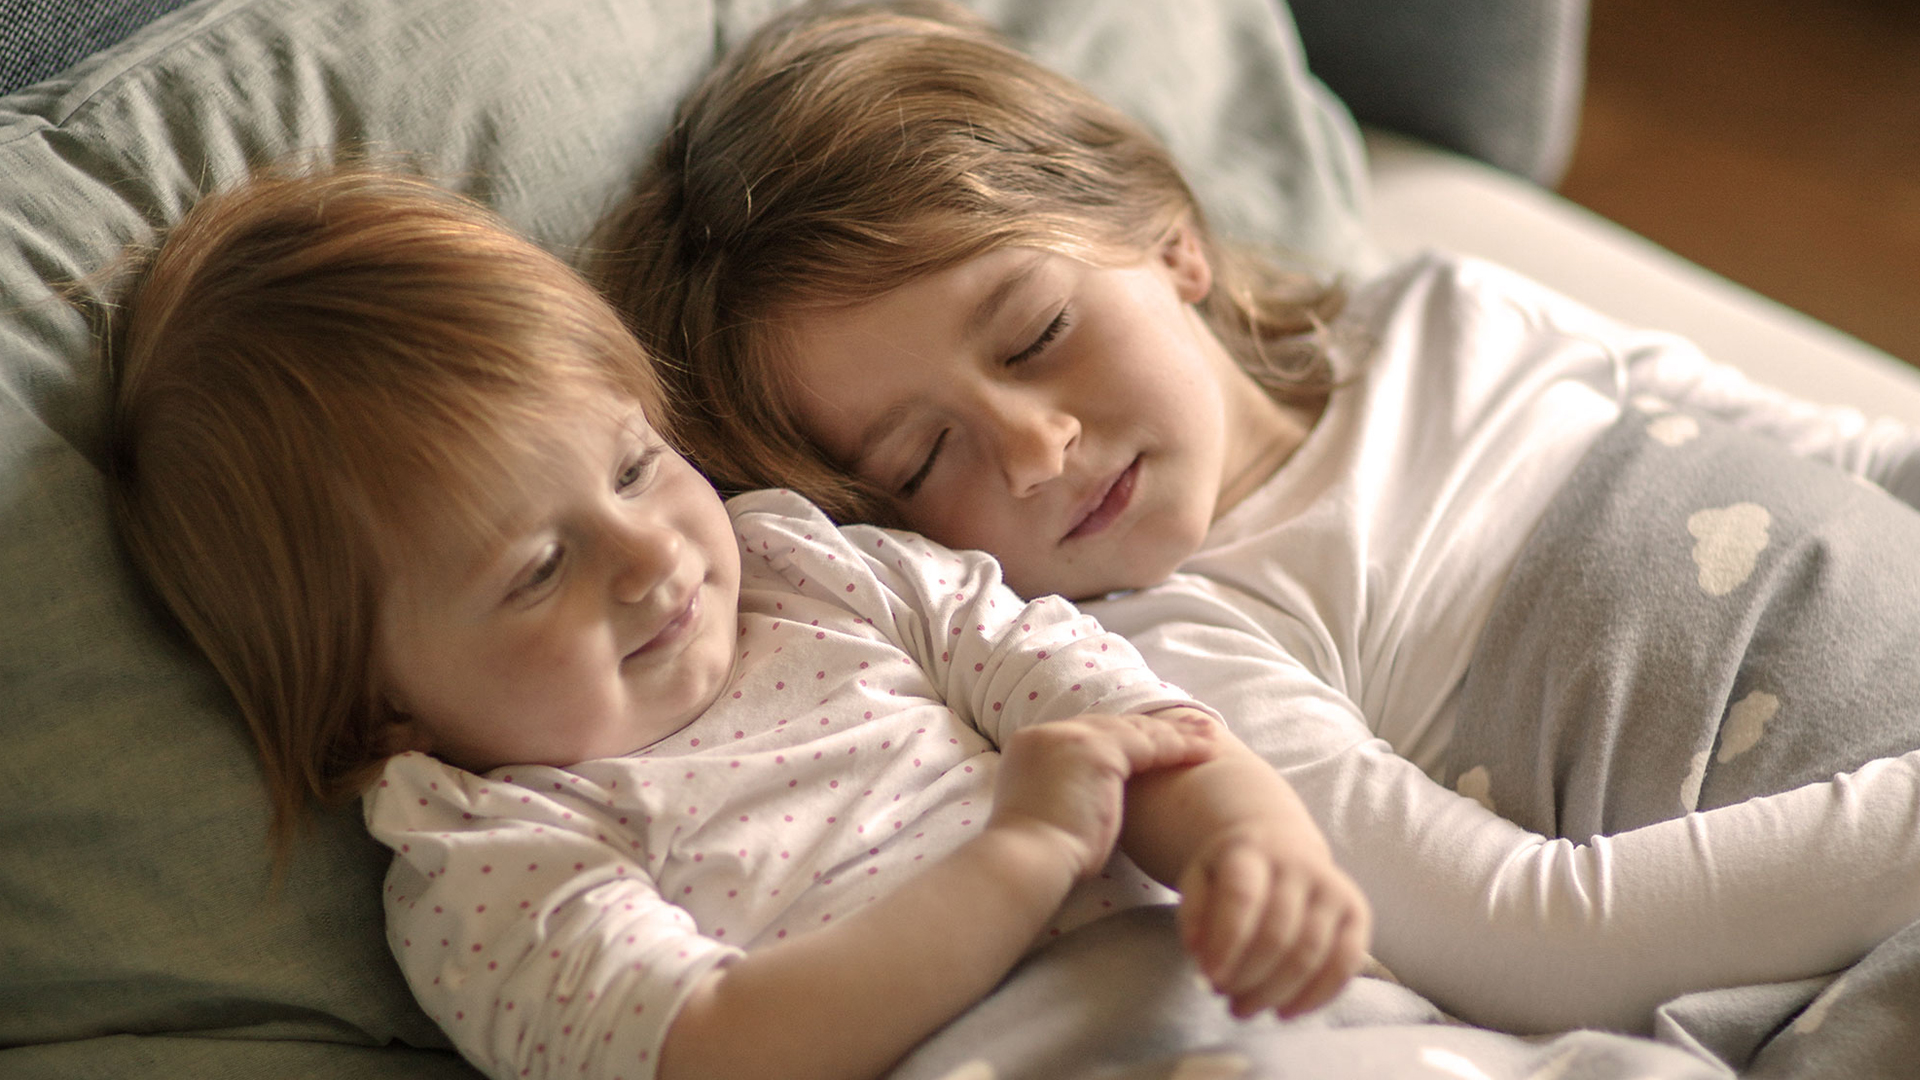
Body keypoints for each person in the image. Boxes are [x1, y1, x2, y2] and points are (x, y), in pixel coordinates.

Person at [592, 0, 1920, 1036]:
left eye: (1038, 332)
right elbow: (1532, 939)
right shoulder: (1173, 650)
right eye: (926, 454)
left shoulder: (1449, 312)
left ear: (1171, 238)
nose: (1038, 450)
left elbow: (1863, 454)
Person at [102, 166, 1371, 1080]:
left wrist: (1251, 845)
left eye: (636, 466)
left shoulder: (816, 570)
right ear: (379, 708)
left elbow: (1127, 718)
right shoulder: (493, 861)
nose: (651, 556)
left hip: (1258, 1013)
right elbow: (716, 1050)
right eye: (538, 570)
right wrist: (1025, 854)